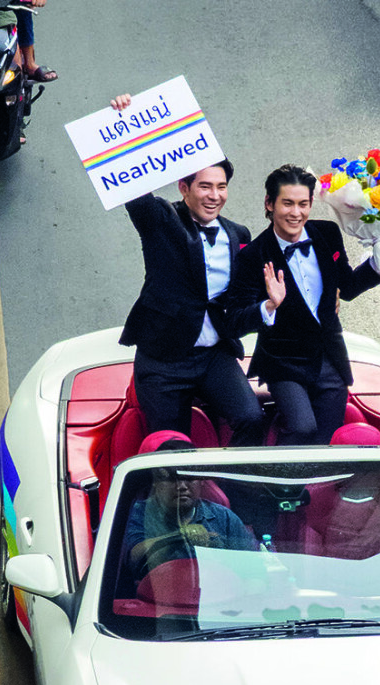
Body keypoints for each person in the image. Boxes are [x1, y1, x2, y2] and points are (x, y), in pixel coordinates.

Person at [111, 94, 265, 447]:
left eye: (221, 187)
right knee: (170, 446)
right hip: (164, 361)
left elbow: (245, 297)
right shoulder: (162, 221)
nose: (215, 195)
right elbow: (133, 188)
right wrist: (124, 125)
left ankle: (234, 493)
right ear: (184, 189)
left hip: (214, 356)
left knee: (251, 417)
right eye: (205, 186)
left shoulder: (237, 234)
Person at [224, 164, 380, 445]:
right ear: (269, 204)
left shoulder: (327, 233)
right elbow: (234, 321)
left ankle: (309, 489)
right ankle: (274, 484)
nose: (295, 213)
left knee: (327, 437)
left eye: (303, 204)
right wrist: (269, 306)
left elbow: (346, 288)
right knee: (302, 428)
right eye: (287, 203)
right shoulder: (253, 255)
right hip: (283, 361)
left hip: (329, 358)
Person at [124, 452, 258, 581]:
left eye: (189, 478)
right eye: (172, 479)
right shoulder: (136, 512)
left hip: (214, 597)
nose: (182, 486)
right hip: (156, 600)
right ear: (156, 482)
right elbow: (133, 558)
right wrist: (179, 536)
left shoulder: (224, 517)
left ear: (202, 481)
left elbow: (254, 571)